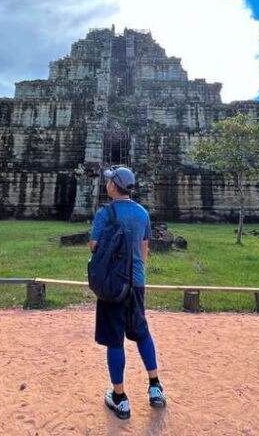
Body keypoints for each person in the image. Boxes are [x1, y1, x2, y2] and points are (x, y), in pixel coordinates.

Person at [89, 165, 166, 420]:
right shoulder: (142, 213)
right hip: (136, 282)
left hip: (113, 283)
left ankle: (120, 398)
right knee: (142, 332)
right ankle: (155, 386)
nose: (107, 184)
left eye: (109, 181)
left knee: (115, 340)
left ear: (113, 186)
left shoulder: (105, 213)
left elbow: (94, 246)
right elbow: (144, 250)